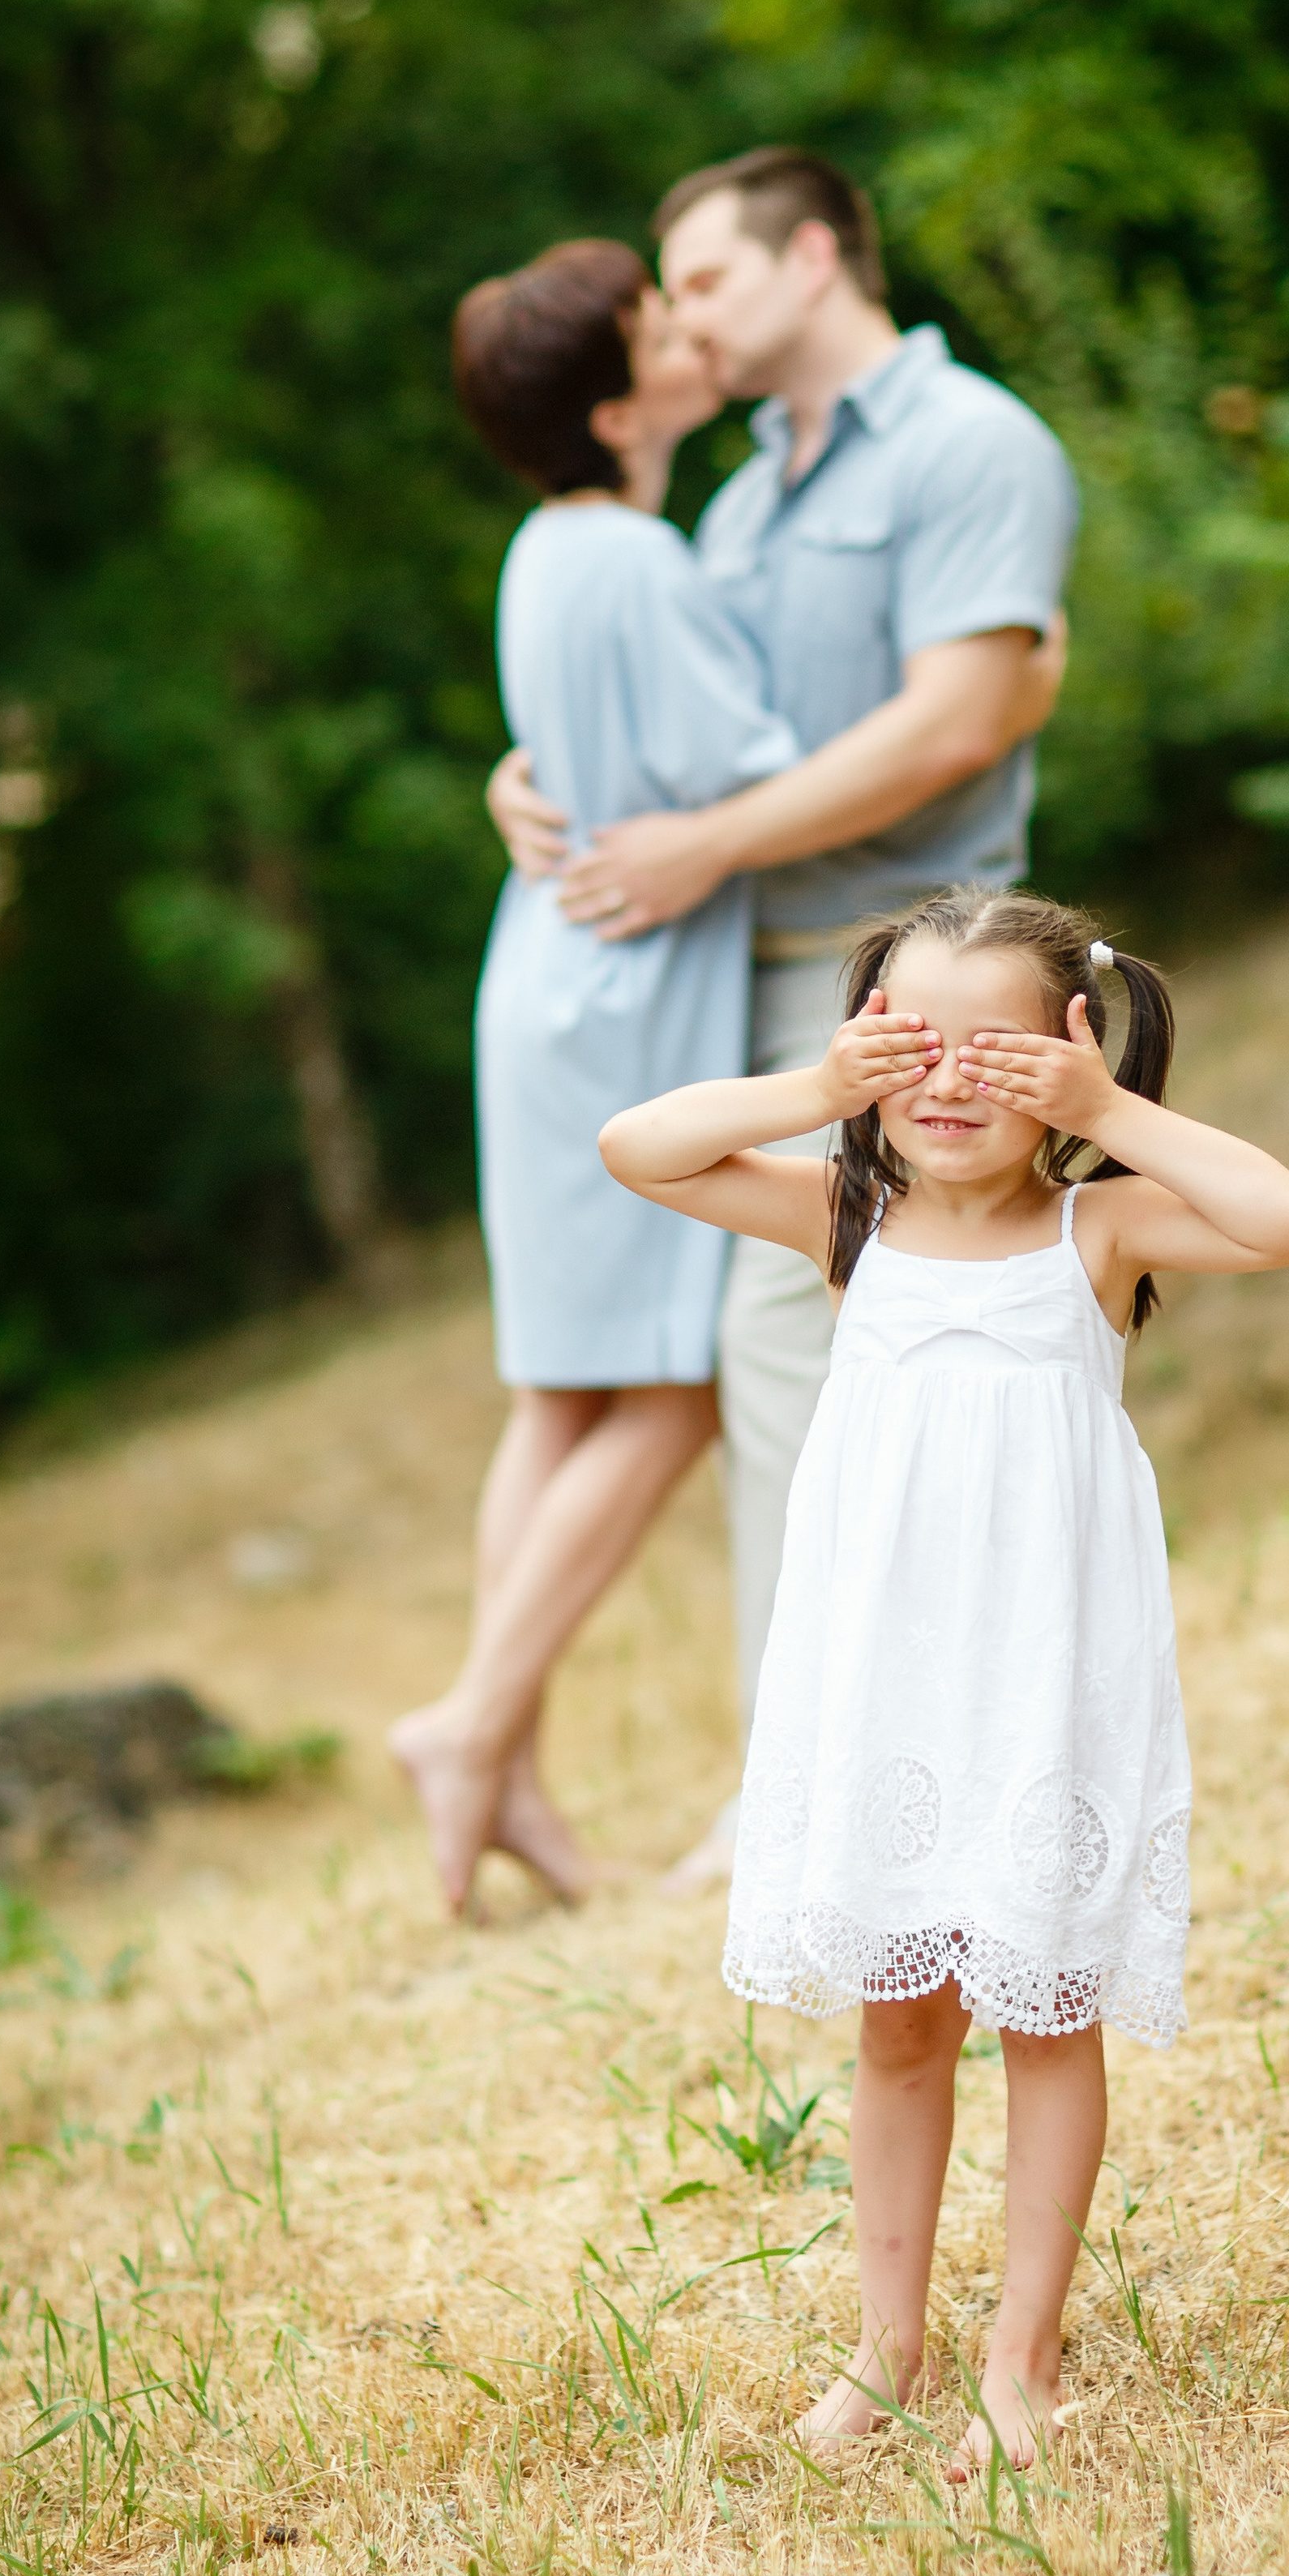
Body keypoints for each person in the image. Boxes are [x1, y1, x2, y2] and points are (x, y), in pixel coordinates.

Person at [598, 887, 1289, 2470]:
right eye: (912, 1046)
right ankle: (884, 2349)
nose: (947, 1085)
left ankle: (1021, 2359)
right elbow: (634, 1149)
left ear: (1068, 1053)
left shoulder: (1101, 1229)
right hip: (882, 1681)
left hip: (1040, 1679)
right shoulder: (842, 1218)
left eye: (995, 1055)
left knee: (1045, 2014)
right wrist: (817, 1091)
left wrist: (1113, 1113)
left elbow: (1287, 1222)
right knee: (897, 2024)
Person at [488, 149, 1079, 1887]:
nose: (679, 322)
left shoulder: (974, 446)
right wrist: (526, 785)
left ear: (812, 257)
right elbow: (676, 721)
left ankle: (876, 1778)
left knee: (950, 1374)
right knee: (791, 1391)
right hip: (763, 994)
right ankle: (808, 1779)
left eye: (706, 282)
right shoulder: (735, 504)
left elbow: (952, 724)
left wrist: (700, 844)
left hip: (929, 988)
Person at [388, 238, 803, 1914]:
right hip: (626, 999)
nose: (687, 332)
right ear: (622, 400)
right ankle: (475, 1726)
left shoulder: (551, 549)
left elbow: (570, 749)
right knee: (674, 1387)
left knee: (560, 1393)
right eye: (657, 323)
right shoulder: (633, 557)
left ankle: (507, 1787)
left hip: (549, 981)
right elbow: (752, 769)